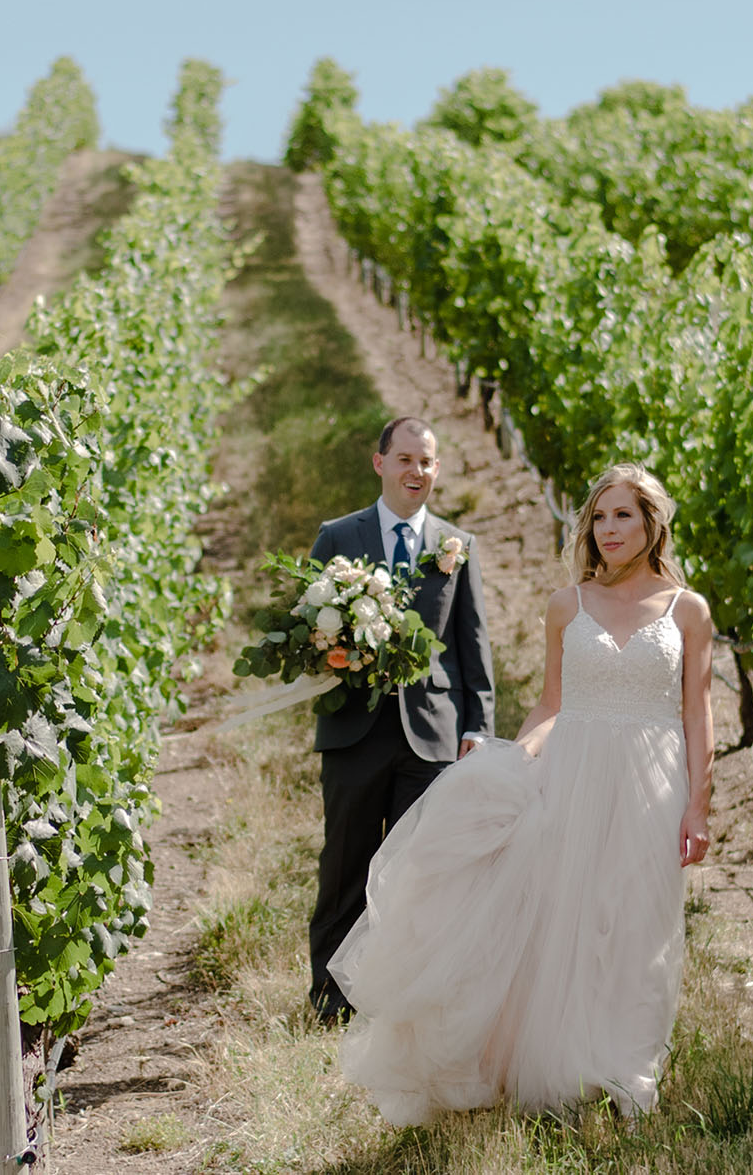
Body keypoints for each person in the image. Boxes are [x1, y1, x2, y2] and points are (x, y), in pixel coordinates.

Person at [330, 462, 714, 1125]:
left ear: (652, 522)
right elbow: (551, 706)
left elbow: (699, 713)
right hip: (574, 773)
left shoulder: (688, 609)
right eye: (599, 516)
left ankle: (629, 1067)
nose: (609, 528)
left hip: (654, 781)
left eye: (623, 514)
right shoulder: (568, 604)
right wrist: (508, 752)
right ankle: (569, 1062)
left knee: (638, 922)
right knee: (569, 918)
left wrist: (699, 803)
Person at [305, 415, 497, 1025]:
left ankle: (410, 1003)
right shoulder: (337, 537)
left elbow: (473, 644)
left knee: (423, 873)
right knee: (346, 866)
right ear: (379, 462)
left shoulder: (455, 545)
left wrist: (478, 728)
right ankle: (332, 1000)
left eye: (428, 462)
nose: (418, 470)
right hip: (355, 729)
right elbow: (305, 633)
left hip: (433, 730)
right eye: (407, 458)